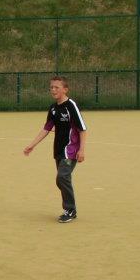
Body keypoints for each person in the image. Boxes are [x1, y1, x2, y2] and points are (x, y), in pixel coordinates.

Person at [23, 75, 88, 223]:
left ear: (65, 89)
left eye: (57, 87)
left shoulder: (71, 106)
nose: (53, 90)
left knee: (62, 177)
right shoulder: (53, 108)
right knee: (61, 180)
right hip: (58, 150)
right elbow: (47, 128)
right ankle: (70, 209)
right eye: (51, 87)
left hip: (70, 150)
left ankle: (70, 210)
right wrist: (32, 145)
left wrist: (82, 150)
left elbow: (82, 129)